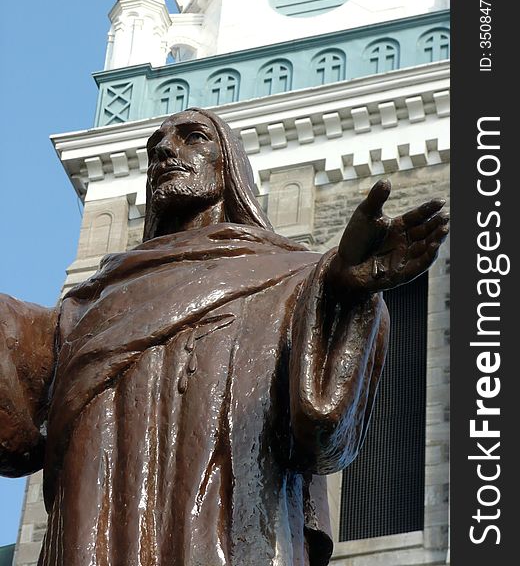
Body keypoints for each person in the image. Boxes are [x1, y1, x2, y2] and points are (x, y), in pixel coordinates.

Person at [0, 108, 449, 566]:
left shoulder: (291, 278)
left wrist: (343, 292)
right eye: (155, 147)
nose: (165, 152)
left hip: (231, 528)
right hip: (97, 533)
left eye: (191, 137)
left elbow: (322, 432)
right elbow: (18, 413)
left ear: (229, 165)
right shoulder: (91, 303)